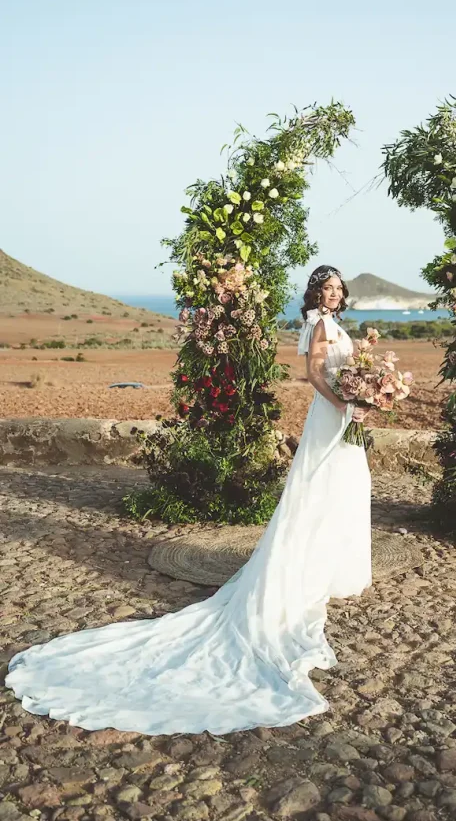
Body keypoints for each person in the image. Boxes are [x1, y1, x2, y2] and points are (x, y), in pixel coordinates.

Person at [5, 266, 372, 734]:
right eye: (328, 287)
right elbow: (316, 374)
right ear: (316, 293)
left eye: (340, 288)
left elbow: (346, 372)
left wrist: (366, 392)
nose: (335, 293)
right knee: (322, 486)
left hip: (345, 413)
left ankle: (334, 562)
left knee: (343, 485)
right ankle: (311, 564)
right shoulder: (318, 324)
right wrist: (344, 404)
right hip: (330, 415)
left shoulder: (336, 323)